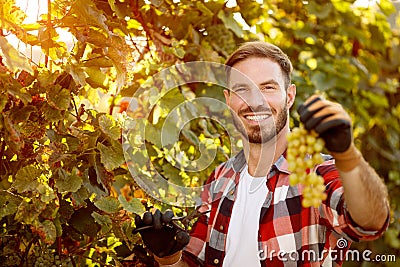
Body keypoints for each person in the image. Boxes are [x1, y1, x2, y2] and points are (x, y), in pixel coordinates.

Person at [134, 41, 390, 267]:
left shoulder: (317, 174)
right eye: (242, 90)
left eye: (267, 88)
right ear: (228, 99)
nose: (255, 101)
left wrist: (347, 154)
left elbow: (371, 221)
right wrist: (167, 257)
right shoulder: (220, 179)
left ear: (289, 97)